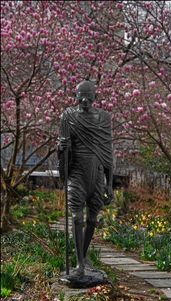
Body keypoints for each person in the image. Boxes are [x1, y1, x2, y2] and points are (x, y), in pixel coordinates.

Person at [57, 78, 113, 278]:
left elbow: (108, 151)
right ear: (75, 97)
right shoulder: (68, 116)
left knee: (91, 219)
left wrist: (110, 183)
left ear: (95, 98)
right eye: (81, 98)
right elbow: (62, 144)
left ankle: (84, 256)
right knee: (76, 217)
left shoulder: (104, 118)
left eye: (88, 99)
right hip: (77, 172)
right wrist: (61, 148)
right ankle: (79, 263)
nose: (84, 102)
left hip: (97, 173)